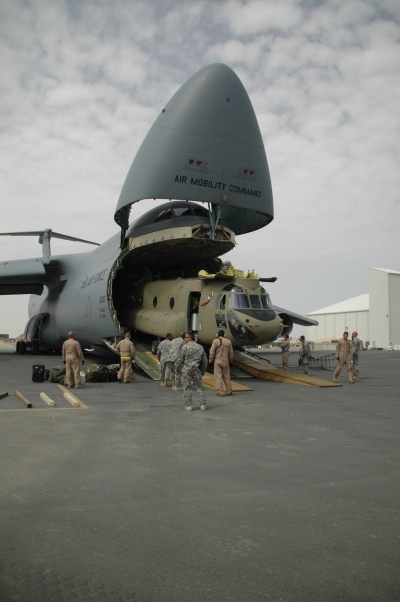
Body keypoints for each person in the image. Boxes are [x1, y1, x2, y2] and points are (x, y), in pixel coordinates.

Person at [175, 332, 208, 411]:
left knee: (187, 387)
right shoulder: (200, 347)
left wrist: (177, 369)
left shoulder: (184, 347)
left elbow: (180, 360)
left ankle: (189, 405)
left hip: (186, 370)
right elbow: (204, 360)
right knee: (199, 387)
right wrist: (203, 369)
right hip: (197, 370)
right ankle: (202, 404)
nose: (184, 339)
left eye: (185, 337)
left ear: (190, 338)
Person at [209, 330, 234, 397]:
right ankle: (229, 390)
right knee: (226, 376)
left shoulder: (215, 341)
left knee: (218, 376)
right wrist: (231, 360)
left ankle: (220, 392)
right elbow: (231, 353)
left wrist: (210, 360)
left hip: (218, 360)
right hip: (226, 360)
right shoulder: (229, 342)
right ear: (224, 334)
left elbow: (212, 352)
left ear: (218, 334)